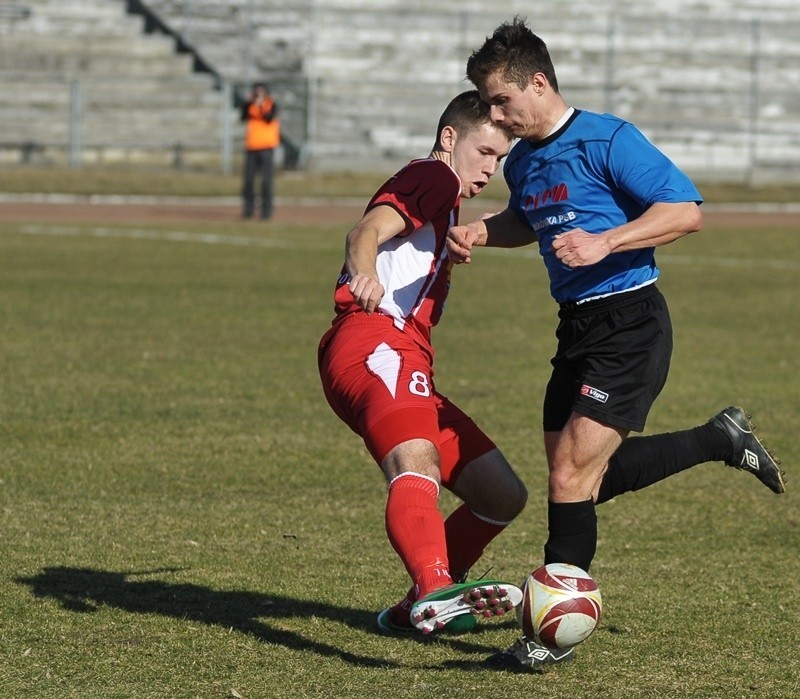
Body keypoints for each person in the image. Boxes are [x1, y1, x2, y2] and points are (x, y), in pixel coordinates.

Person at [447, 17, 786, 670]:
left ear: (537, 83)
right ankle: (720, 437)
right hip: (575, 326)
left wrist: (607, 240)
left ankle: (549, 637)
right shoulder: (523, 161)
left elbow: (684, 210)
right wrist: (485, 233)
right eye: (486, 103)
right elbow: (531, 219)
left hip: (629, 323)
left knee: (572, 474)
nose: (493, 113)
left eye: (500, 99)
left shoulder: (608, 138)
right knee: (576, 482)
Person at [317, 91, 528, 635]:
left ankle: (420, 602)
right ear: (449, 139)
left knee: (501, 494)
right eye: (485, 151)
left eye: (500, 160)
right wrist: (363, 273)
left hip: (403, 353)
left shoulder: (445, 198)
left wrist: (447, 247)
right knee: (417, 462)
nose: (490, 168)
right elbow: (364, 231)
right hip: (374, 341)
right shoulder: (436, 178)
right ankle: (435, 587)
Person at [241, 82, 280, 220]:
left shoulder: (270, 104)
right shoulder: (250, 106)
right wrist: (247, 102)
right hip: (252, 146)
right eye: (256, 93)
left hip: (267, 147)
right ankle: (248, 210)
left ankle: (266, 211)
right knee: (249, 180)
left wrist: (261, 104)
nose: (258, 96)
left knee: (266, 181)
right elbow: (243, 116)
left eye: (261, 93)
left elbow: (269, 118)